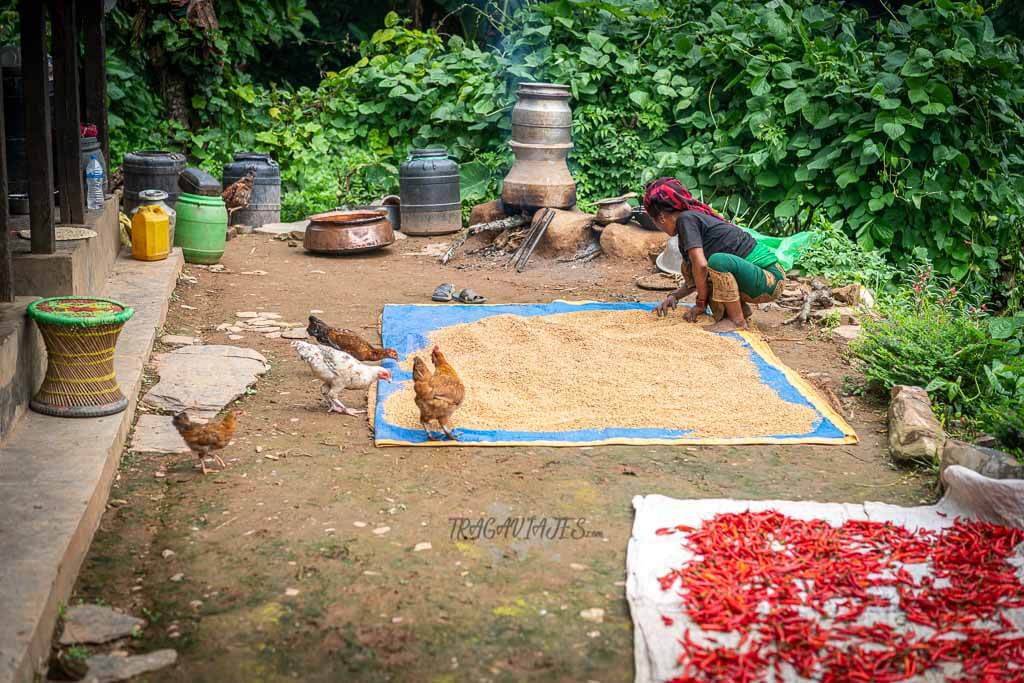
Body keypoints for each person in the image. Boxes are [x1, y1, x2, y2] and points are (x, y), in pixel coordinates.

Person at [643, 177, 785, 332]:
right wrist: (674, 296)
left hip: (770, 278)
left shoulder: (686, 219)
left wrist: (700, 303)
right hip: (760, 280)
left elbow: (701, 265)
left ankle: (736, 320)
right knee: (689, 265)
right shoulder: (689, 221)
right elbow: (695, 276)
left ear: (661, 218)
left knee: (716, 262)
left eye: (654, 221)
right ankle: (740, 310)